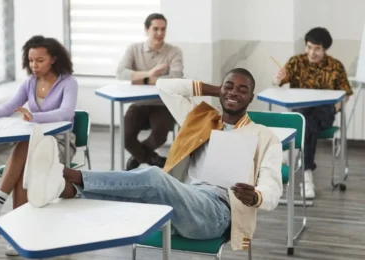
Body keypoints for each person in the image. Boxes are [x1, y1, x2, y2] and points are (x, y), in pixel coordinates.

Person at [23, 68, 283, 251]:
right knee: (143, 193)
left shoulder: (264, 136)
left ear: (251, 96)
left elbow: (272, 189)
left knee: (154, 178)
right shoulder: (201, 118)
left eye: (242, 89)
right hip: (183, 199)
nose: (234, 92)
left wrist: (256, 196)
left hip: (217, 214)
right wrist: (218, 90)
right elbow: (164, 86)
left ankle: (70, 174)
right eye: (230, 86)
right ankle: (65, 189)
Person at [0, 35, 78, 256]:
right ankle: (18, 232)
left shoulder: (68, 82)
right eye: (31, 60)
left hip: (60, 142)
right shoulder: (29, 83)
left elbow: (66, 113)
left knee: (27, 147)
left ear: (53, 59)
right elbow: (8, 108)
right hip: (34, 143)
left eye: (40, 60)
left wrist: (33, 117)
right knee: (28, 155)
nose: (34, 66)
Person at [274, 27, 353, 199]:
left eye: (317, 48)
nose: (312, 52)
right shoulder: (296, 61)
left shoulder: (335, 66)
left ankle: (294, 154)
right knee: (307, 120)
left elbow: (345, 93)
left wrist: (334, 108)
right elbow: (279, 82)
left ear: (325, 49)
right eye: (309, 47)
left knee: (307, 120)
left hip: (324, 113)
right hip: (302, 113)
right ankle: (307, 175)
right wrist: (279, 78)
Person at [116, 13, 183, 170]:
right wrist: (149, 73)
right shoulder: (134, 49)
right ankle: (154, 160)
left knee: (159, 136)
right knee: (125, 137)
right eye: (155, 29)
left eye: (163, 29)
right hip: (139, 104)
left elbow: (176, 77)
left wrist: (141, 79)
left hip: (162, 104)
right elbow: (121, 73)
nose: (160, 33)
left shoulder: (174, 52)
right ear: (146, 30)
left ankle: (138, 157)